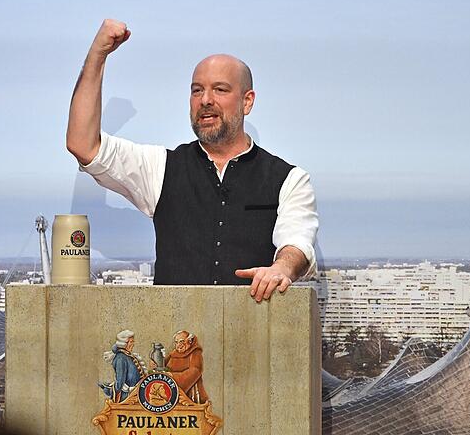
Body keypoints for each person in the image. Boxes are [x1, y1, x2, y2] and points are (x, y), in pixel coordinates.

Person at [67, 19, 318, 301]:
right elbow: (83, 145)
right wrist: (98, 54)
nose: (205, 100)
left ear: (247, 101)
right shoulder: (161, 168)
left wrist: (281, 268)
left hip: (251, 328)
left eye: (220, 89)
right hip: (172, 328)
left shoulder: (289, 179)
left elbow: (297, 242)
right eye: (197, 90)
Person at [99, 329, 147, 401]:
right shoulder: (121, 358)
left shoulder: (128, 356)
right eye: (131, 342)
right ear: (124, 343)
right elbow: (119, 384)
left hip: (138, 394)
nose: (133, 344)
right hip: (128, 397)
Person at [164, 331, 208, 404]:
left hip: (189, 394)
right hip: (170, 389)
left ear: (189, 341)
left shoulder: (195, 352)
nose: (178, 345)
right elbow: (164, 366)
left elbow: (195, 371)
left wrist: (173, 376)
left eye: (181, 342)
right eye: (176, 342)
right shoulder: (174, 353)